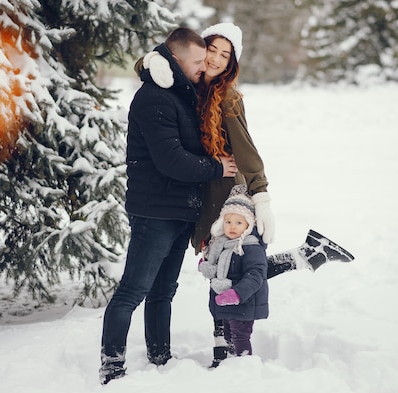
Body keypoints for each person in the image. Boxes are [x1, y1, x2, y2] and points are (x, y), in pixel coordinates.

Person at [143, 22, 355, 367]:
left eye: (225, 56)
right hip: (203, 189)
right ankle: (308, 253)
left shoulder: (227, 98)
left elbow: (246, 150)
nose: (215, 59)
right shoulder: (190, 84)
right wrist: (148, 64)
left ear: (231, 64)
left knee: (230, 267)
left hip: (228, 192)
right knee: (225, 266)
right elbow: (160, 62)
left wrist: (261, 198)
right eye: (212, 49)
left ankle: (224, 351)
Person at [99, 27, 239, 385]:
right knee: (133, 289)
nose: (202, 65)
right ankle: (111, 365)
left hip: (179, 211)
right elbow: (171, 160)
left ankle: (159, 357)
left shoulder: (182, 94)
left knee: (163, 292)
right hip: (154, 212)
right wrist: (216, 167)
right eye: (196, 60)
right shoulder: (154, 98)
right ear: (175, 60)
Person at [198, 184, 269, 365]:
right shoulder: (223, 244)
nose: (232, 227)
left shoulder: (251, 247)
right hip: (227, 305)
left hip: (244, 303)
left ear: (248, 224)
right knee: (229, 336)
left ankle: (245, 367)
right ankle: (231, 367)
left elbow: (255, 275)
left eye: (238, 222)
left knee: (240, 339)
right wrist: (207, 266)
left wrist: (236, 294)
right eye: (228, 221)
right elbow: (221, 269)